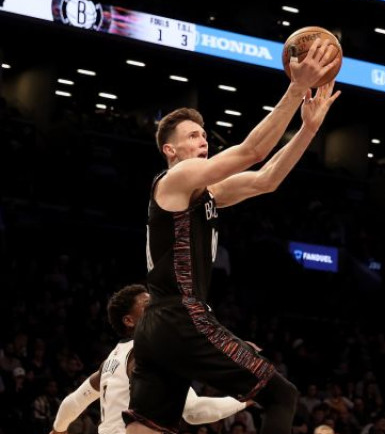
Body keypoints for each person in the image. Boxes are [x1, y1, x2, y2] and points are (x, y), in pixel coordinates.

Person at [125, 38, 342, 434]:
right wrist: (297, 88)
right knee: (282, 395)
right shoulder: (177, 177)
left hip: (155, 329)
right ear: (170, 150)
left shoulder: (203, 192)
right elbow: (251, 152)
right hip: (182, 315)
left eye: (204, 133)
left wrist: (308, 130)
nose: (203, 139)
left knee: (147, 429)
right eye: (192, 136)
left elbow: (266, 179)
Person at [50, 284, 248, 434]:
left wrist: (58, 430)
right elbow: (194, 412)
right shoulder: (147, 354)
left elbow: (73, 403)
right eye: (148, 305)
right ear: (129, 320)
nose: (157, 309)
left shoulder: (111, 361)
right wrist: (247, 400)